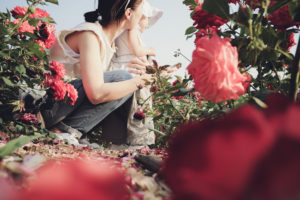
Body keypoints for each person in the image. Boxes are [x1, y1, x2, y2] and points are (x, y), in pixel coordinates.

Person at [40, 0, 153, 145]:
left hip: (65, 106)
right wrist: (140, 81)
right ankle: (64, 131)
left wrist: (139, 71)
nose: (143, 15)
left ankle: (119, 143)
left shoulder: (111, 42)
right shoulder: (90, 35)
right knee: (124, 78)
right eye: (141, 9)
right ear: (129, 13)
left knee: (126, 81)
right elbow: (96, 93)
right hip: (46, 107)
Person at [109, 0, 163, 146]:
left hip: (120, 70)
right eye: (147, 19)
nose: (147, 24)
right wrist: (150, 51)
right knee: (139, 108)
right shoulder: (132, 30)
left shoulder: (119, 31)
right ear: (141, 17)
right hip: (132, 72)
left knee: (120, 110)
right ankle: (139, 142)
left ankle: (116, 142)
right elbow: (136, 51)